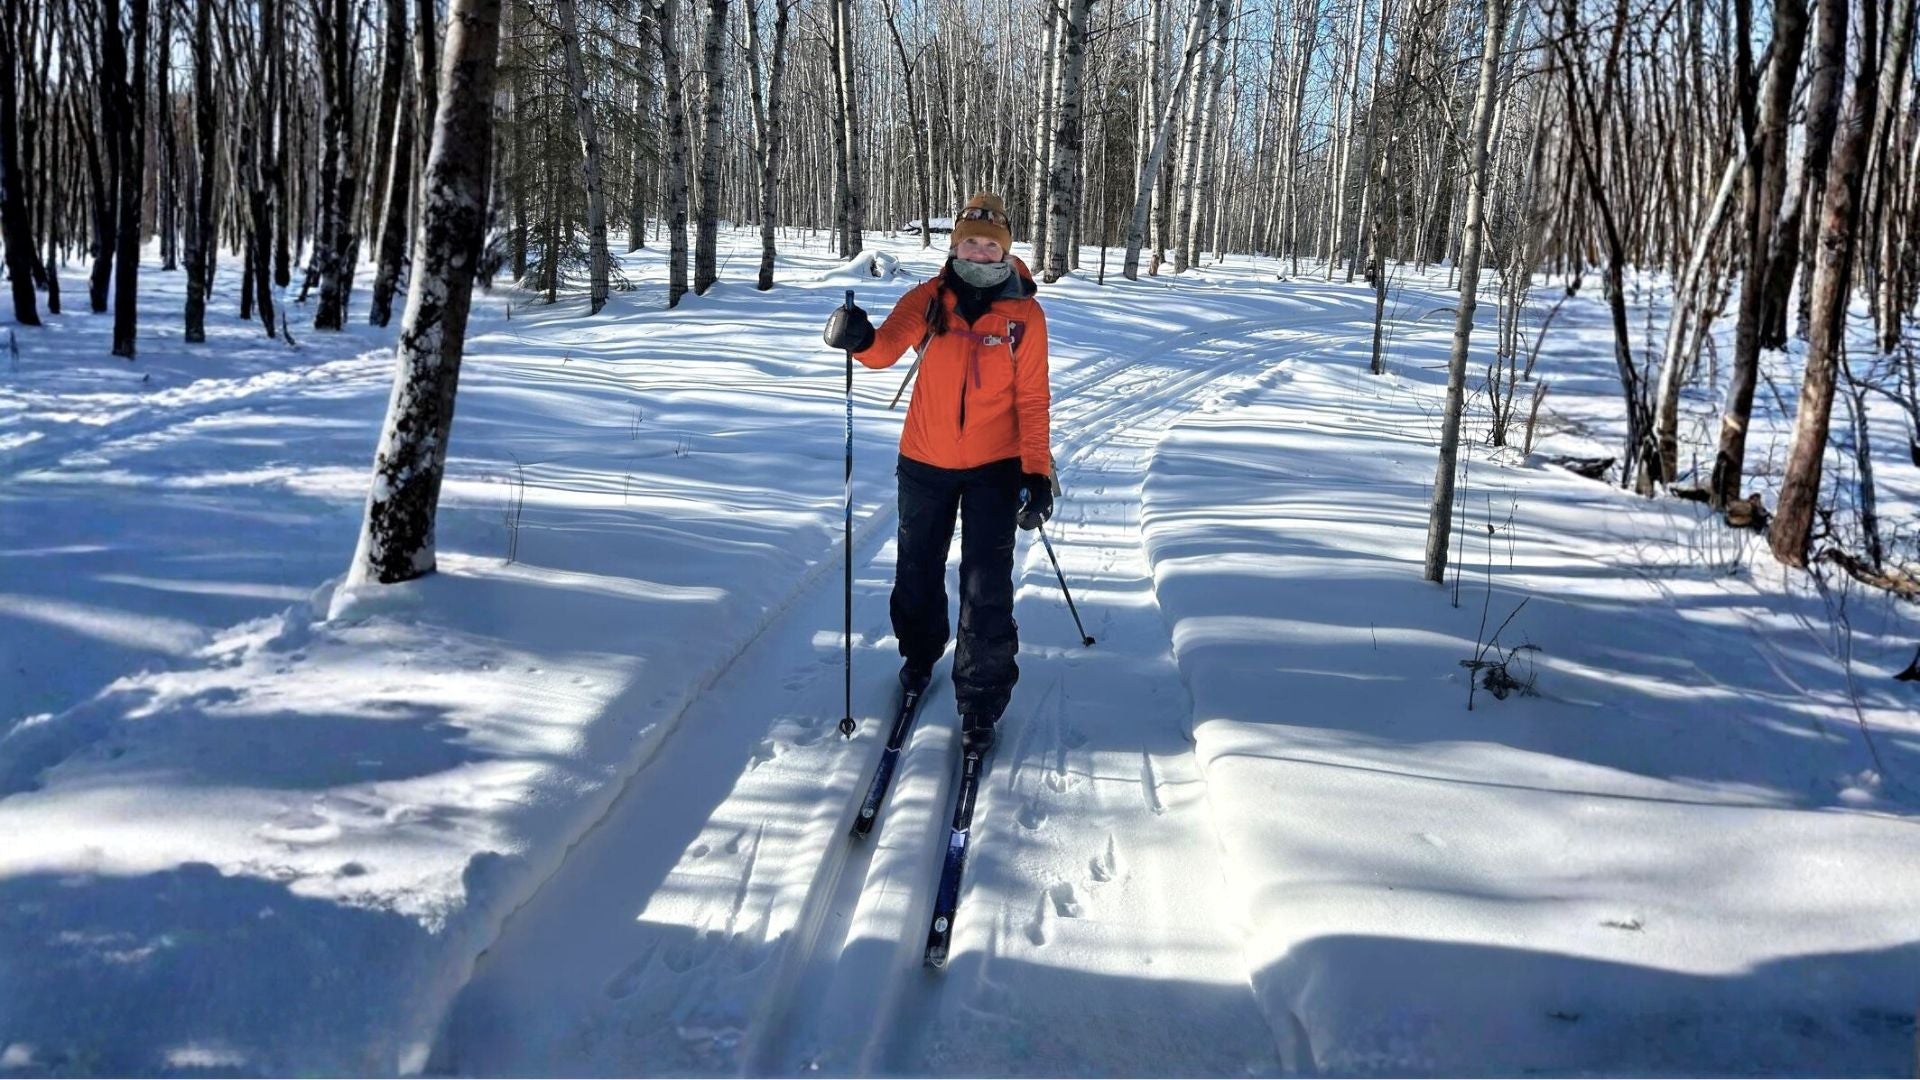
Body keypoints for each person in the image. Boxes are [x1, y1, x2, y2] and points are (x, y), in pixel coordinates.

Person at [822, 192, 1053, 756]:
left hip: (994, 468)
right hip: (924, 461)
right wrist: (857, 338)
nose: (979, 249)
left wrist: (1036, 472)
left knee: (986, 585)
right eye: (970, 240)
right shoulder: (929, 298)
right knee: (918, 570)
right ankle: (919, 654)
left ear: (1006, 249)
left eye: (990, 243)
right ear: (955, 244)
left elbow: (1033, 400)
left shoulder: (1024, 315)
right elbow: (883, 350)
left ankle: (981, 697)